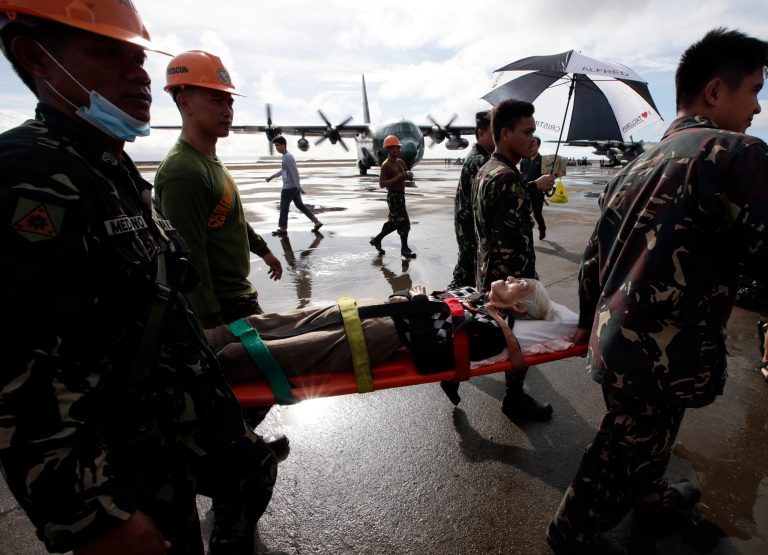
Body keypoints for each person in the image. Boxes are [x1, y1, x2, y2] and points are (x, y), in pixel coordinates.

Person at [0, 4, 278, 555]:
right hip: (120, 468)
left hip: (161, 445)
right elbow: (24, 368)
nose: (139, 73)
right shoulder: (26, 174)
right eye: (108, 52)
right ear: (38, 58)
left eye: (137, 56)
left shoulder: (109, 165)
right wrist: (94, 521)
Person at [547, 28, 768, 555]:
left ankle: (647, 498)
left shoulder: (633, 167)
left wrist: (585, 324)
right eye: (755, 90)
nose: (758, 108)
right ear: (715, 92)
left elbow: (593, 260)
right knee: (623, 445)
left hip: (616, 338)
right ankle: (570, 532)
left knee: (647, 435)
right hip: (663, 349)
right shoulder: (736, 154)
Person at [155, 50, 289, 448]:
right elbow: (189, 258)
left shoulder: (211, 162)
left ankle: (238, 444)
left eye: (229, 100)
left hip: (237, 298)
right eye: (216, 98)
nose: (227, 108)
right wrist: (210, 326)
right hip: (222, 308)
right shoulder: (182, 172)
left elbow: (231, 217)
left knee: (260, 380)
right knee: (266, 375)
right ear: (184, 102)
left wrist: (263, 250)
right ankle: (235, 451)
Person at [203, 277, 575, 386]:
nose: (510, 277)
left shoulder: (493, 330)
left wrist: (416, 300)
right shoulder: (473, 294)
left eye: (518, 284)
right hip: (374, 308)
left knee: (283, 351)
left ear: (519, 308)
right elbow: (420, 299)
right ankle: (205, 339)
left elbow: (433, 353)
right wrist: (408, 296)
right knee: (280, 321)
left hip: (382, 337)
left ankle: (203, 368)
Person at [472, 99, 556, 422]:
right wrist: (526, 291)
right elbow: (513, 248)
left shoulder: (486, 170)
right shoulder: (507, 179)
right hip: (508, 281)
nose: (532, 139)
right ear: (505, 134)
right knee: (522, 340)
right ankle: (515, 398)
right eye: (527, 132)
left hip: (487, 271)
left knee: (501, 340)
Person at [448, 110, 494, 288]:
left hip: (467, 227)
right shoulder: (479, 160)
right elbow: (490, 196)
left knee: (464, 273)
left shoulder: (482, 157)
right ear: (481, 133)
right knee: (470, 275)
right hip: (470, 230)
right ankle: (444, 305)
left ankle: (445, 305)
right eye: (494, 130)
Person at [370, 134, 417, 258]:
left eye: (398, 147)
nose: (398, 150)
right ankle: (404, 249)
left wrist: (409, 174)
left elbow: (407, 173)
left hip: (401, 196)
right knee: (403, 223)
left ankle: (377, 240)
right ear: (388, 149)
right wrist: (398, 178)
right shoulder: (386, 165)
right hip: (393, 197)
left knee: (395, 222)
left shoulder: (400, 162)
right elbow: (382, 184)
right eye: (395, 147)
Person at [265, 135, 322, 236]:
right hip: (293, 187)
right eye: (275, 146)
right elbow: (283, 171)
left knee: (283, 208)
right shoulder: (286, 157)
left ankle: (283, 229)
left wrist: (299, 186)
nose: (276, 148)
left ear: (283, 145)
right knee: (300, 206)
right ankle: (316, 222)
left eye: (277, 145)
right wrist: (272, 177)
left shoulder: (288, 157)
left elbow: (294, 172)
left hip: (289, 188)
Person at [519, 136, 546, 240]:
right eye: (529, 144)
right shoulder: (524, 160)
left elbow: (547, 177)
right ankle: (526, 234)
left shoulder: (543, 160)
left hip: (538, 193)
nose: (530, 146)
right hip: (525, 190)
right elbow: (522, 174)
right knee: (524, 214)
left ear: (538, 145)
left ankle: (542, 228)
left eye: (533, 144)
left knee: (537, 214)